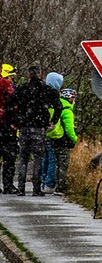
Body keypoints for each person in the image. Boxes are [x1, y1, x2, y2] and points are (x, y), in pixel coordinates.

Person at [6, 65, 62, 196]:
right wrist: (52, 121)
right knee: (38, 158)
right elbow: (58, 106)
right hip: (39, 128)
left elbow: (9, 104)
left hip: (24, 127)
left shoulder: (22, 89)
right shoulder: (47, 90)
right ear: (41, 75)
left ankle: (21, 188)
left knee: (23, 158)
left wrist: (14, 122)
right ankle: (36, 189)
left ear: (28, 76)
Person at [48, 88, 78, 195]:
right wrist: (75, 139)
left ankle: (57, 185)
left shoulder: (57, 106)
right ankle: (61, 187)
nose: (74, 100)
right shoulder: (67, 110)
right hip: (64, 140)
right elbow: (69, 129)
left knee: (57, 163)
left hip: (55, 139)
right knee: (63, 164)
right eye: (73, 98)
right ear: (69, 98)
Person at [41, 71, 64, 191]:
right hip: (51, 132)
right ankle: (49, 183)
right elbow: (59, 108)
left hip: (40, 129)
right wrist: (53, 122)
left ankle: (42, 181)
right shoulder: (53, 94)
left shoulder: (41, 92)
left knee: (44, 158)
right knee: (52, 158)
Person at [0, 64, 18, 194]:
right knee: (9, 158)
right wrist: (15, 121)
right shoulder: (6, 85)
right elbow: (14, 103)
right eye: (11, 76)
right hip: (6, 126)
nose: (12, 79)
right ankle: (8, 185)